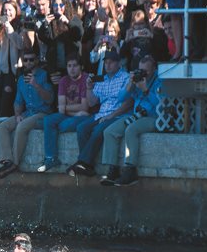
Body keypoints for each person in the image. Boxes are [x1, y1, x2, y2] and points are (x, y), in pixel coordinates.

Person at [99, 56, 162, 186]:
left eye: (146, 71)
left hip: (153, 117)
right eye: (140, 70)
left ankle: (130, 170)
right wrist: (130, 84)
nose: (143, 73)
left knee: (131, 130)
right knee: (109, 131)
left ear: (154, 70)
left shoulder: (160, 81)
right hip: (136, 115)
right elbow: (120, 98)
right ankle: (113, 170)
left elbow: (160, 104)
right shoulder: (137, 80)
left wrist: (146, 90)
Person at [68, 50, 132, 177]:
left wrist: (111, 116)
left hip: (117, 115)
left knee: (98, 131)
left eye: (111, 63)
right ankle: (87, 165)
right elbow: (92, 103)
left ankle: (82, 163)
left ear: (118, 63)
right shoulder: (102, 79)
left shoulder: (126, 77)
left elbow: (129, 102)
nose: (107, 65)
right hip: (101, 114)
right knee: (81, 128)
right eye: (106, 63)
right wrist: (89, 88)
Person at [0, 51, 55, 179]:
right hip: (28, 113)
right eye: (25, 60)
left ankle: (15, 163)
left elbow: (50, 99)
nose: (28, 63)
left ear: (37, 60)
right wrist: (17, 115)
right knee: (3, 126)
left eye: (31, 60)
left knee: (21, 126)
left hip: (43, 113)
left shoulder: (44, 75)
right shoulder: (21, 79)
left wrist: (36, 85)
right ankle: (7, 161)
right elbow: (18, 102)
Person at [39, 56, 92, 172]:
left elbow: (85, 107)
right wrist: (77, 112)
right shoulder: (63, 80)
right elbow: (61, 109)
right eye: (69, 66)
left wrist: (69, 109)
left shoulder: (86, 79)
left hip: (84, 116)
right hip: (75, 114)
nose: (72, 69)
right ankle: (51, 158)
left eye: (75, 65)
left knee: (64, 125)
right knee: (48, 120)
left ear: (81, 67)